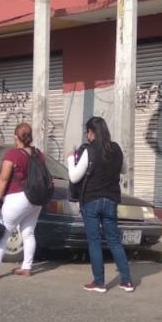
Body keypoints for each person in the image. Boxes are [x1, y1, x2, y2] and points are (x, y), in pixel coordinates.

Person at [67, 116, 134, 293]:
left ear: (92, 132)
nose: (86, 136)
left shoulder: (90, 151)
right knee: (114, 241)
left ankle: (99, 282)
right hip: (111, 200)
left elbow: (74, 177)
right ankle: (126, 281)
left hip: (91, 201)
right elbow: (124, 170)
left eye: (87, 132)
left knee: (94, 241)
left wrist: (69, 159)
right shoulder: (116, 149)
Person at [0, 123, 43, 280]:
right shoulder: (38, 154)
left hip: (17, 198)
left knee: (2, 233)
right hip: (35, 199)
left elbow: (3, 179)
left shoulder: (13, 155)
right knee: (28, 233)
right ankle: (27, 267)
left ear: (16, 137)